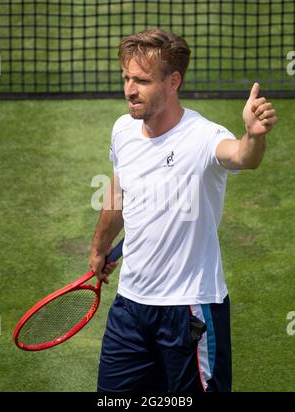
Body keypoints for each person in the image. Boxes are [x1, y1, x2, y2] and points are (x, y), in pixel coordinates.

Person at [90, 28, 277, 392]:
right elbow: (118, 191)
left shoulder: (203, 136)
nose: (129, 89)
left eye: (142, 81)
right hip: (130, 307)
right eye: (127, 77)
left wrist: (254, 135)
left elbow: (241, 157)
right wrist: (100, 246)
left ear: (173, 81)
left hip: (189, 310)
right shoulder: (123, 130)